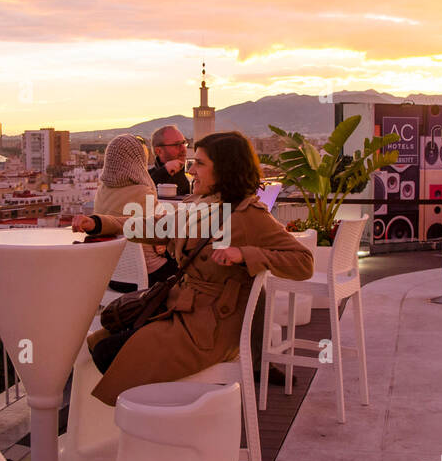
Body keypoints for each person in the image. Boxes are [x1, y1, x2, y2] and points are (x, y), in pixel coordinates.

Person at [72, 131, 313, 406]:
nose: (191, 170)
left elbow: (303, 261)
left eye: (199, 163)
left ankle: (160, 417)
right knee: (100, 343)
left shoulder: (249, 215)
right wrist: (100, 223)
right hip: (182, 308)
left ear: (223, 170)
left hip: (210, 328)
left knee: (109, 352)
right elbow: (151, 226)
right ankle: (137, 419)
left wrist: (244, 254)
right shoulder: (200, 206)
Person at [92, 134, 178, 289]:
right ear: (138, 160)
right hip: (148, 274)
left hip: (112, 275)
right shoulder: (142, 192)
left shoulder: (101, 191)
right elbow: (162, 236)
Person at [149, 125, 192, 196]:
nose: (183, 149)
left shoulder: (193, 176)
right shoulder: (146, 178)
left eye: (183, 143)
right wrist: (164, 172)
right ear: (159, 151)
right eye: (177, 144)